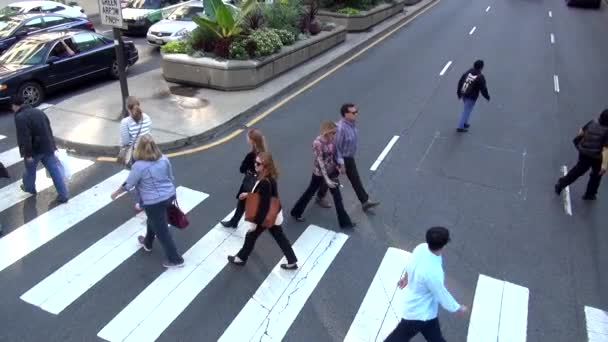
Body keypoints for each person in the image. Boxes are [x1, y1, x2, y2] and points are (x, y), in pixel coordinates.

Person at [111, 134, 184, 268]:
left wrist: (116, 193)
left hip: (153, 202)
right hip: (169, 195)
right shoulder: (164, 159)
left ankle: (176, 259)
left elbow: (129, 184)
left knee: (162, 231)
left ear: (138, 149)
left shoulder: (139, 166)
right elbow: (170, 176)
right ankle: (148, 243)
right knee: (154, 220)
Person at [385, 227, 467, 342]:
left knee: (435, 338)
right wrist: (457, 308)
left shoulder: (421, 248)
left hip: (426, 311)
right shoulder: (434, 272)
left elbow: (411, 263)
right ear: (444, 245)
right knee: (398, 338)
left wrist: (406, 277)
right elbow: (441, 294)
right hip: (418, 313)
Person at [227, 152, 298, 270]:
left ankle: (241, 258)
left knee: (251, 235)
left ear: (266, 166)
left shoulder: (265, 182)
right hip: (273, 214)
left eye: (258, 163)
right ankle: (292, 260)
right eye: (255, 162)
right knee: (279, 236)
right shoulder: (269, 178)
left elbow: (263, 206)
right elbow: (264, 197)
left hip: (266, 216)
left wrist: (255, 223)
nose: (255, 165)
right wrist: (248, 195)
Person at [290, 121, 356, 229]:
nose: (335, 136)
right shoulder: (317, 143)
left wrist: (338, 166)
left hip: (332, 171)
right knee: (310, 192)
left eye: (335, 133)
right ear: (327, 132)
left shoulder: (332, 141)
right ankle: (296, 212)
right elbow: (320, 163)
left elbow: (334, 155)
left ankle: (345, 222)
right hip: (319, 174)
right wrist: (327, 180)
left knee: (337, 197)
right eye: (333, 133)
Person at [317, 103, 380, 212]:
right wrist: (341, 164)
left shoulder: (351, 124)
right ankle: (320, 196)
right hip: (341, 158)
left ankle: (364, 202)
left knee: (355, 179)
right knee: (331, 178)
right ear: (345, 114)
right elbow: (337, 147)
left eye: (356, 111)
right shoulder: (341, 129)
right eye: (353, 112)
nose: (356, 114)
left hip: (349, 157)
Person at [13, 97, 69, 204]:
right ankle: (63, 194)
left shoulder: (20, 117)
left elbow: (25, 137)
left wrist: (28, 154)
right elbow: (48, 129)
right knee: (54, 171)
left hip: (34, 151)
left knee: (30, 171)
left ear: (15, 106)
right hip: (47, 147)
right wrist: (53, 145)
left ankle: (29, 188)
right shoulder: (39, 112)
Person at [555, 109, 608, 200]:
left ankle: (562, 183)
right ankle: (590, 194)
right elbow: (605, 149)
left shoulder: (592, 122)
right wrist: (604, 166)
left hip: (584, 153)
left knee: (578, 171)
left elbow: (581, 132)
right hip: (597, 157)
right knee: (596, 175)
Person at [221, 128, 267, 228]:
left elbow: (242, 169)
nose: (246, 139)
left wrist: (248, 170)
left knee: (245, 202)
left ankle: (236, 222)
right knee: (243, 203)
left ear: (252, 141)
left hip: (250, 183)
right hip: (259, 182)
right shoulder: (264, 152)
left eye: (248, 137)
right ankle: (234, 222)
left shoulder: (251, 155)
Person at [119, 96, 152, 211]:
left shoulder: (125, 122)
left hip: (137, 153)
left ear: (127, 108)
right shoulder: (147, 117)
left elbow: (126, 141)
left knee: (139, 179)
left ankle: (143, 203)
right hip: (150, 149)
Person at [456, 60, 490, 132]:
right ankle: (460, 126)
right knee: (466, 111)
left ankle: (465, 123)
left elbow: (460, 82)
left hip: (464, 93)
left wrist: (459, 93)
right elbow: (483, 88)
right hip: (472, 96)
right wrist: (487, 96)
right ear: (481, 67)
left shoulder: (468, 72)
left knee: (467, 109)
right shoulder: (480, 76)